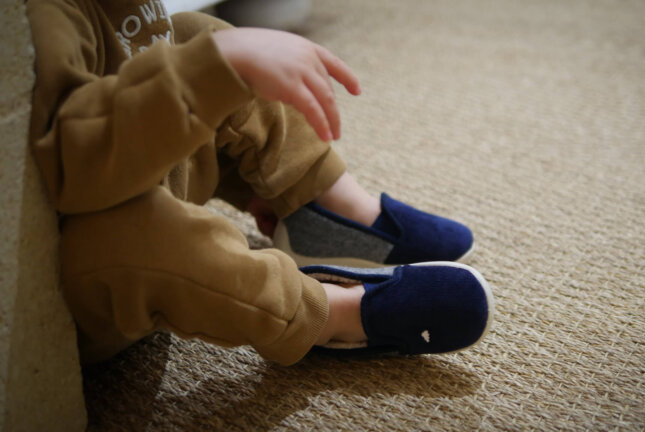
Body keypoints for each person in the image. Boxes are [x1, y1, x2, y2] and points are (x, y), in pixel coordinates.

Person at [25, 0, 494, 366]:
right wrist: (215, 68)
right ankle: (326, 316)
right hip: (85, 269)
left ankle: (322, 207)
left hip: (133, 173)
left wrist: (222, 62)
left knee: (196, 34)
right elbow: (72, 166)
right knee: (137, 231)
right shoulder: (35, 16)